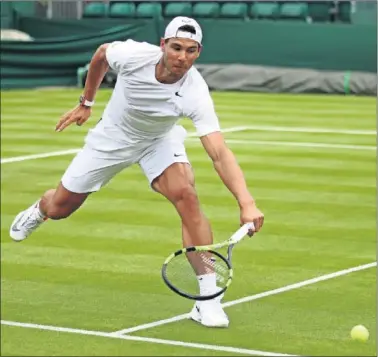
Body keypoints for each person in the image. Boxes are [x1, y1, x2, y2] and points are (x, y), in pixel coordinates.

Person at [9, 17, 264, 328]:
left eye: (191, 50)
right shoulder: (133, 56)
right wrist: (86, 102)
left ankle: (207, 300)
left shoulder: (196, 91)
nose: (182, 57)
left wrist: (246, 202)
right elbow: (102, 54)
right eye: (176, 48)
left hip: (158, 140)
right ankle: (40, 210)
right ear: (162, 45)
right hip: (112, 138)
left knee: (186, 194)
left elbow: (219, 153)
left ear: (199, 52)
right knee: (60, 207)